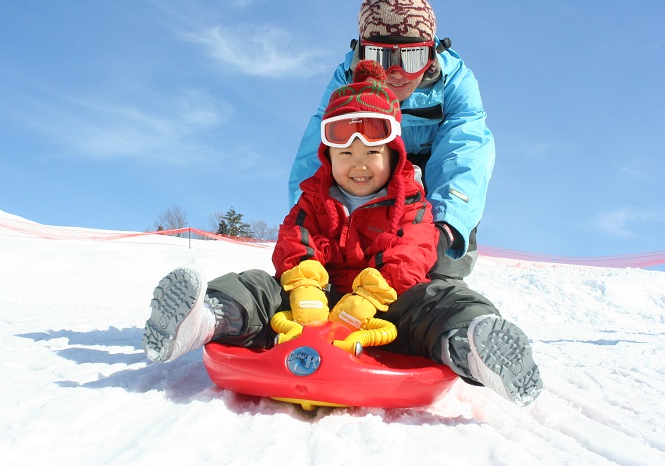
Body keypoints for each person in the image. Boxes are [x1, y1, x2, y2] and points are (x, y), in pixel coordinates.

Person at [143, 60, 543, 407]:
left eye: (372, 153)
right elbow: (293, 246)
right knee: (257, 286)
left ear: (393, 154)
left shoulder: (411, 204)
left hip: (386, 307)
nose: (359, 165)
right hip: (314, 304)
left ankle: (472, 346)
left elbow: (413, 253)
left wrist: (369, 299)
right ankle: (205, 318)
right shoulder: (313, 201)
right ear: (328, 157)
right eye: (345, 155)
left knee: (442, 300)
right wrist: (303, 292)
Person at [290, 0, 494, 280]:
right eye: (381, 59)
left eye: (413, 59)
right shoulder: (346, 82)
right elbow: (320, 150)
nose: (397, 73)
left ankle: (438, 292)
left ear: (431, 56)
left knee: (440, 263)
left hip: (428, 181)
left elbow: (465, 152)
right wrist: (305, 224)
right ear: (363, 54)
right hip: (367, 171)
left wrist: (446, 227)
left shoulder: (455, 81)